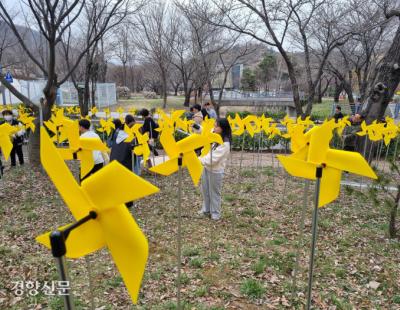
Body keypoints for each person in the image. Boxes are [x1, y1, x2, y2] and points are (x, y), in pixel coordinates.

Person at [199, 118, 232, 220]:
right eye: (214, 125)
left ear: (222, 128)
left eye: (216, 126)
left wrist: (197, 159)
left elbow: (212, 159)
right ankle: (206, 210)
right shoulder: (216, 136)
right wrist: (197, 127)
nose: (214, 127)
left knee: (214, 192)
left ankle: (215, 213)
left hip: (215, 171)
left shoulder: (225, 144)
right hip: (206, 168)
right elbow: (206, 132)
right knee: (205, 190)